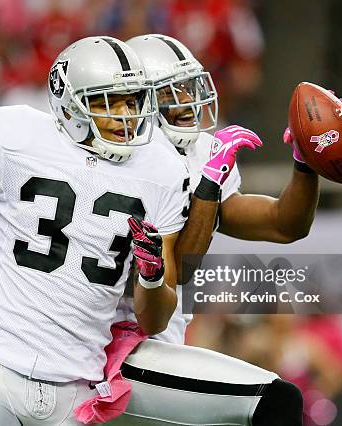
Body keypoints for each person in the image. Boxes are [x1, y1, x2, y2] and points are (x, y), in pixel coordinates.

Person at [0, 37, 239, 425]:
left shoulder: (162, 172)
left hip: (80, 384)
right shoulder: (16, 136)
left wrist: (151, 277)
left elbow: (155, 321)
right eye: (106, 101)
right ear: (70, 103)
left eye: (131, 100)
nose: (124, 114)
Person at [105, 34, 322, 426]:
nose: (188, 100)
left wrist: (305, 162)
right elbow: (177, 269)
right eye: (172, 91)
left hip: (160, 347)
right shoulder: (125, 163)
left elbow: (283, 224)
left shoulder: (197, 152)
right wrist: (207, 186)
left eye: (189, 87)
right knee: (276, 403)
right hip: (115, 349)